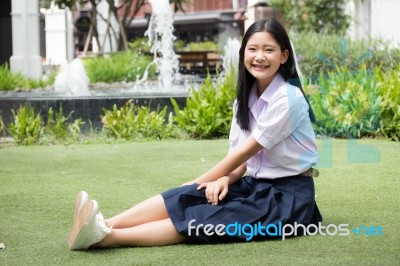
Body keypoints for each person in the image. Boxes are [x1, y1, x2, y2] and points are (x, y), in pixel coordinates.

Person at [67, 18, 322, 250]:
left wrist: (196, 181)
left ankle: (104, 237)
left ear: (284, 56)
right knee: (191, 194)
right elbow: (239, 160)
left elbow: (247, 150)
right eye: (252, 49)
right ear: (243, 53)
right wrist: (224, 179)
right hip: (255, 186)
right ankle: (104, 221)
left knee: (203, 217)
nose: (259, 57)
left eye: (269, 50)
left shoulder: (289, 99)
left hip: (287, 198)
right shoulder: (245, 99)